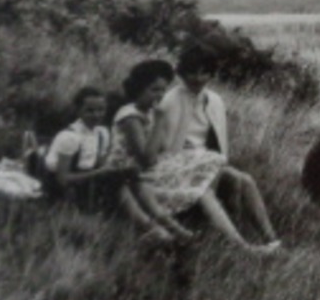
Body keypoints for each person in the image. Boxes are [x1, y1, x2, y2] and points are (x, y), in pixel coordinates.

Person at [149, 44, 283, 252]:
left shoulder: (214, 101)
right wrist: (197, 162)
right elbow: (165, 149)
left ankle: (271, 239)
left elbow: (219, 145)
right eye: (192, 72)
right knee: (208, 186)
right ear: (182, 73)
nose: (198, 77)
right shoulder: (171, 100)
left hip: (207, 162)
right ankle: (239, 245)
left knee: (244, 180)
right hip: (178, 166)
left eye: (204, 72)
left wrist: (214, 162)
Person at [104, 59, 197, 244]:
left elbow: (160, 149)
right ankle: (159, 231)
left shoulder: (149, 113)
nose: (160, 95)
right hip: (121, 171)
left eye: (163, 90)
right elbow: (146, 157)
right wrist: (160, 121)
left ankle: (176, 231)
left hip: (138, 172)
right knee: (145, 197)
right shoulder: (130, 115)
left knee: (155, 201)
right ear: (139, 88)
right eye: (154, 90)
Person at [43, 87, 133, 212]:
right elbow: (62, 180)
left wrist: (114, 166)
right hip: (65, 188)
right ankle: (147, 221)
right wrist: (100, 173)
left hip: (87, 181)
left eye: (101, 110)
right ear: (78, 111)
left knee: (129, 176)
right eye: (90, 111)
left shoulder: (101, 133)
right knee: (117, 183)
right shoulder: (70, 137)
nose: (96, 115)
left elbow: (99, 164)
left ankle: (153, 214)